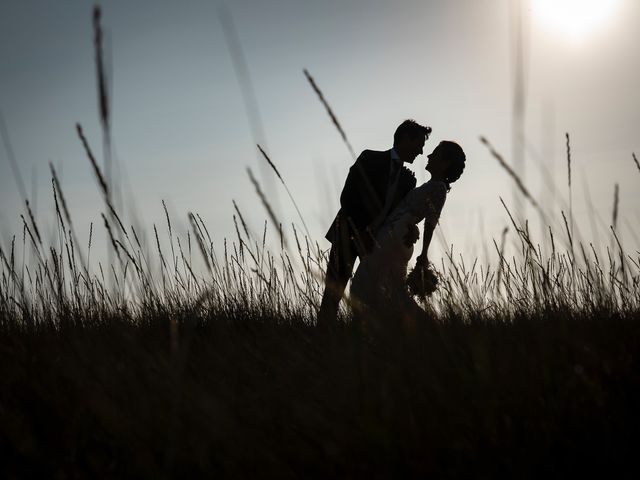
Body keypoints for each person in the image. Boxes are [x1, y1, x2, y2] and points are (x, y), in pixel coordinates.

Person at [317, 120, 432, 330]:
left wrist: (411, 227)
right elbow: (348, 197)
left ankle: (366, 333)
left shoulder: (409, 181)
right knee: (334, 288)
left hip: (378, 243)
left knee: (375, 290)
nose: (421, 152)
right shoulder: (369, 158)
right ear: (405, 139)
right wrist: (359, 232)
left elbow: (401, 213)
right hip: (347, 233)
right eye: (419, 145)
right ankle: (324, 335)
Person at [350, 141, 466, 334]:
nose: (428, 156)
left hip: (395, 236)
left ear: (444, 163)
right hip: (398, 234)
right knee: (396, 292)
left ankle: (384, 329)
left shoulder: (438, 188)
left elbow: (431, 220)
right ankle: (426, 329)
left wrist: (424, 254)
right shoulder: (430, 185)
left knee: (362, 287)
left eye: (435, 154)